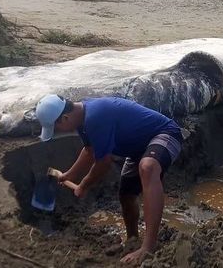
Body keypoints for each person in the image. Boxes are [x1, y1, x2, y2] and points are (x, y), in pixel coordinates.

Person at [35, 95, 183, 265]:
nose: (58, 132)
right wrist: (69, 175)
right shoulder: (83, 120)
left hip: (165, 134)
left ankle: (148, 247)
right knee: (126, 196)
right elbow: (90, 151)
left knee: (147, 167)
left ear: (65, 118)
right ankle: (133, 240)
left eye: (57, 128)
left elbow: (103, 163)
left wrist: (83, 185)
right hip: (138, 148)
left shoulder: (95, 117)